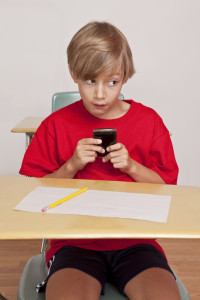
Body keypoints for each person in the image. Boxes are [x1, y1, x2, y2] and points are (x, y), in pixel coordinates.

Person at [20, 21, 180, 300]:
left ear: (126, 76)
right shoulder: (55, 125)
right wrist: (71, 166)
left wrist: (131, 166)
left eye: (112, 82)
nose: (100, 94)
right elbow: (32, 192)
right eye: (90, 80)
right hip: (75, 242)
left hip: (136, 241)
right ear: (73, 74)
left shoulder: (149, 122)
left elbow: (168, 187)